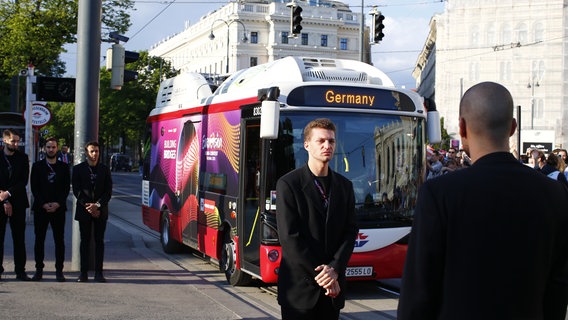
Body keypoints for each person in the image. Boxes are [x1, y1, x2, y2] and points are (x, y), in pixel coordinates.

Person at [398, 82, 568, 320]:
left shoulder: (439, 194)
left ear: (462, 127)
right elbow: (557, 290)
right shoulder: (555, 194)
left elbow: (418, 295)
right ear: (512, 127)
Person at [275, 118, 358, 320]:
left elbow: (350, 231)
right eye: (320, 141)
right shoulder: (288, 184)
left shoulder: (344, 186)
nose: (327, 146)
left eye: (331, 141)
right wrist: (325, 277)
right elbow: (290, 238)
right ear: (306, 145)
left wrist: (335, 269)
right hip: (300, 291)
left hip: (332, 291)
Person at [30, 137, 70, 282]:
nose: (51, 149)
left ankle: (59, 271)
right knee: (39, 240)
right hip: (41, 209)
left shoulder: (64, 167)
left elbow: (66, 188)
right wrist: (43, 204)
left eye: (53, 147)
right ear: (44, 148)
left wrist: (58, 203)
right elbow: (34, 188)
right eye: (48, 147)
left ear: (57, 148)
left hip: (58, 209)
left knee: (59, 240)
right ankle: (38, 270)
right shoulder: (37, 166)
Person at [72, 141, 112, 282]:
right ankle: (83, 273)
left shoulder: (104, 169)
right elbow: (77, 190)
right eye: (91, 151)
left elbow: (108, 192)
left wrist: (98, 206)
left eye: (96, 151)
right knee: (85, 241)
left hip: (100, 211)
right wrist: (89, 206)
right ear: (86, 153)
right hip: (85, 210)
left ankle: (99, 273)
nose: (94, 154)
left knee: (99, 241)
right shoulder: (78, 169)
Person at [0, 129, 31, 281]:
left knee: (19, 238)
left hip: (18, 201)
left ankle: (20, 270)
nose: (16, 144)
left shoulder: (22, 158)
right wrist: (4, 198)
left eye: (18, 141)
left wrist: (8, 194)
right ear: (5, 140)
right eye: (13, 141)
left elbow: (23, 180)